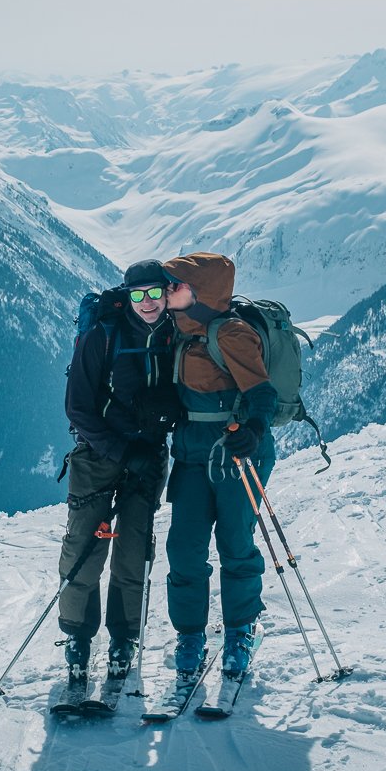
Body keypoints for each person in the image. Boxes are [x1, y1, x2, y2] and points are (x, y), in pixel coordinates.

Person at [57, 259, 181, 693]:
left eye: (154, 293)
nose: (147, 303)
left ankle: (123, 640)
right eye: (137, 295)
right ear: (127, 296)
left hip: (148, 459)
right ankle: (77, 637)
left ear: (167, 293)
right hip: (99, 457)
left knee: (133, 552)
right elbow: (78, 409)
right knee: (86, 548)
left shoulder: (175, 334)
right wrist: (123, 451)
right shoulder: (102, 336)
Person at [161, 252, 277, 679]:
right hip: (192, 452)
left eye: (175, 284)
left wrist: (256, 428)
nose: (167, 291)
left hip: (237, 451)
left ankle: (241, 631)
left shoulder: (230, 333)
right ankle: (190, 634)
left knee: (235, 543)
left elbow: (261, 391)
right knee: (185, 548)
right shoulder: (179, 330)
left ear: (201, 291)